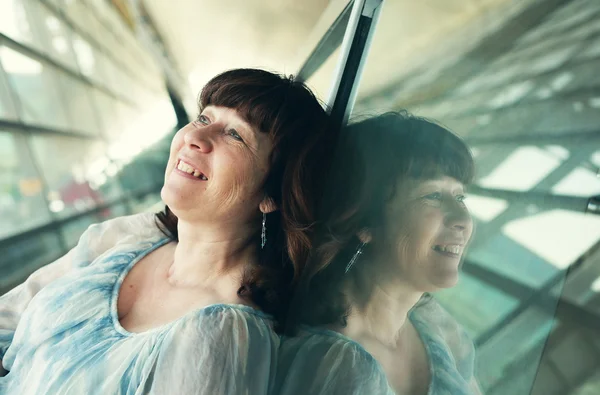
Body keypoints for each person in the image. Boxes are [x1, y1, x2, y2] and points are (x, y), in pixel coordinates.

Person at [0, 68, 336, 394]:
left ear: (271, 195)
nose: (194, 137)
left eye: (235, 134)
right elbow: (8, 318)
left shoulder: (220, 337)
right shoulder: (130, 236)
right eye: (204, 118)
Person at [276, 111, 482, 394]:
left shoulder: (441, 333)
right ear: (365, 221)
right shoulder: (329, 363)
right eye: (433, 195)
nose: (463, 219)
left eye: (460, 197)